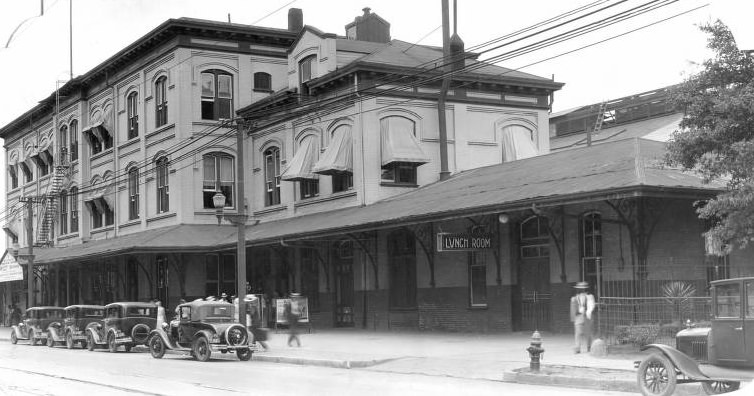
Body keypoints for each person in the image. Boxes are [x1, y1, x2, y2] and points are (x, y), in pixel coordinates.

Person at [570, 281, 595, 354]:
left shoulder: (590, 297)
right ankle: (577, 348)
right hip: (579, 317)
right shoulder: (575, 298)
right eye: (580, 289)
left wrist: (588, 311)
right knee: (578, 333)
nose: (581, 291)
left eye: (583, 289)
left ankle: (589, 347)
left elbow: (591, 306)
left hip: (587, 316)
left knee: (589, 332)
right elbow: (573, 309)